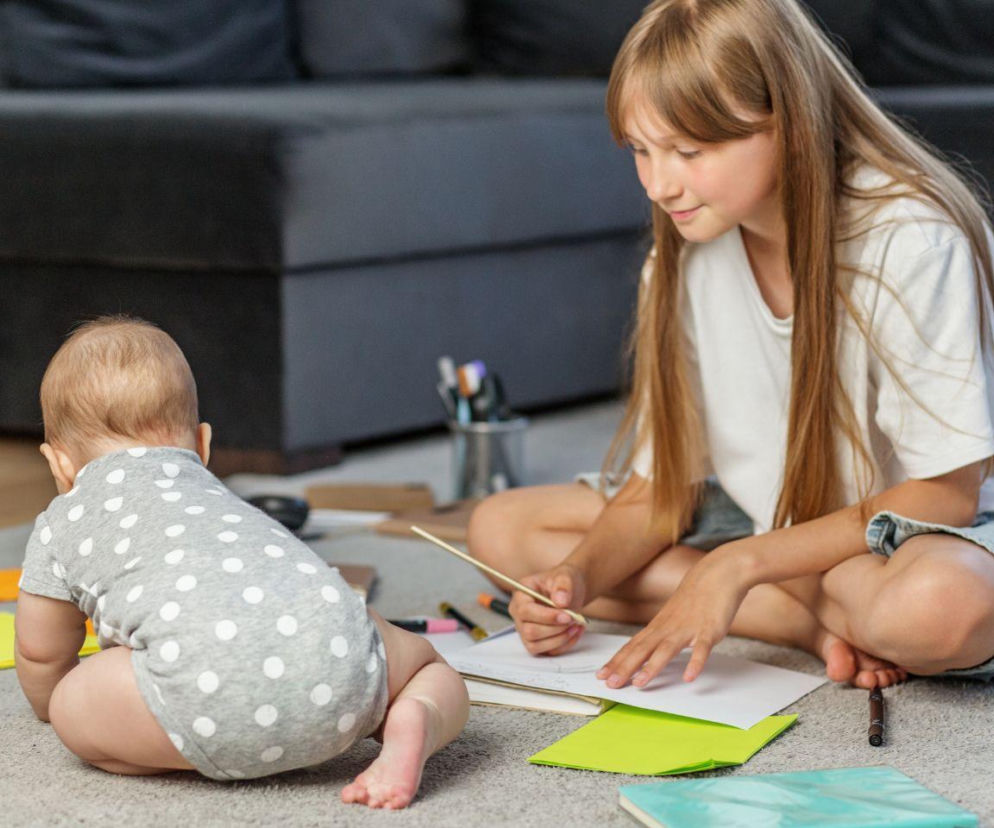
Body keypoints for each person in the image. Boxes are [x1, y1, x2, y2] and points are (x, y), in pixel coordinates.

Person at [468, 0, 994, 692]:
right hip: (765, 517)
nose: (660, 185)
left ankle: (763, 590)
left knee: (943, 611)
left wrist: (736, 564)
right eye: (641, 151)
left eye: (690, 151)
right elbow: (662, 487)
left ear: (790, 122)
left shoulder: (910, 243)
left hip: (889, 538)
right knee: (499, 530)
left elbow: (948, 495)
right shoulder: (686, 256)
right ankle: (806, 618)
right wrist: (577, 578)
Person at [15, 316, 468, 809]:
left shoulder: (63, 519)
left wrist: (50, 702)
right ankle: (417, 712)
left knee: (71, 702)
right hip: (340, 668)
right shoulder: (215, 492)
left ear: (58, 465)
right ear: (203, 446)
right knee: (423, 663)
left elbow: (41, 653)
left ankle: (209, 741)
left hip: (208, 702)